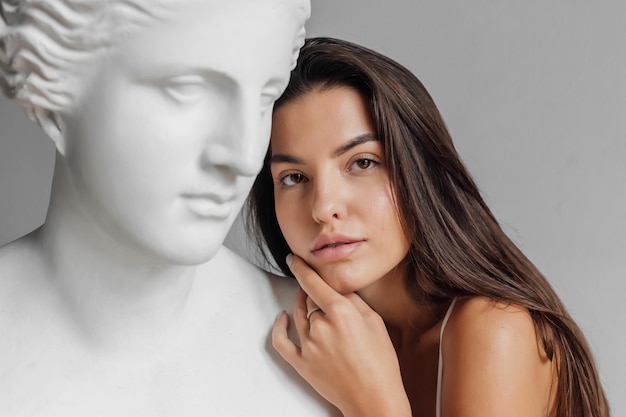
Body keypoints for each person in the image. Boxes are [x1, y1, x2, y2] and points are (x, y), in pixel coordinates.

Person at [0, 1, 338, 416]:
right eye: (186, 90)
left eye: (266, 97)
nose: (245, 155)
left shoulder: (330, 350)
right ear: (50, 92)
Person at [247, 37, 610, 417]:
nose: (323, 207)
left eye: (363, 163)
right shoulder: (324, 342)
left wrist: (374, 405)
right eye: (293, 177)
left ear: (420, 172)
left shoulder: (493, 327)